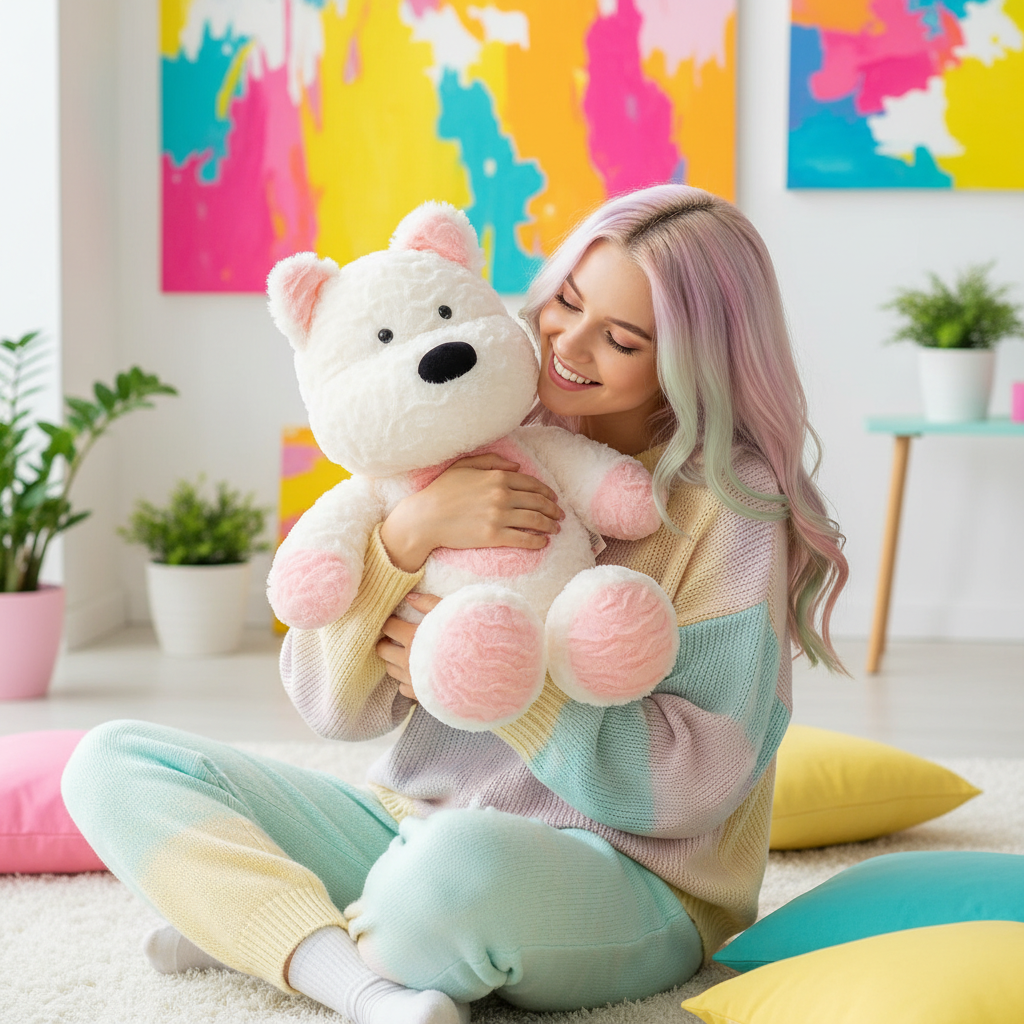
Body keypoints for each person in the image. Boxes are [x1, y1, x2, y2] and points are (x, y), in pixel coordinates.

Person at [62, 184, 848, 1023]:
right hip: (413, 821)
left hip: (632, 879)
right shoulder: (481, 420)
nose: (569, 347)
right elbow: (330, 703)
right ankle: (348, 974)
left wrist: (505, 688)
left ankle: (262, 931)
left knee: (441, 881)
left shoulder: (733, 505)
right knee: (111, 763)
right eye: (566, 304)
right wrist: (405, 536)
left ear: (695, 362)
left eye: (620, 338)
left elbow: (699, 783)